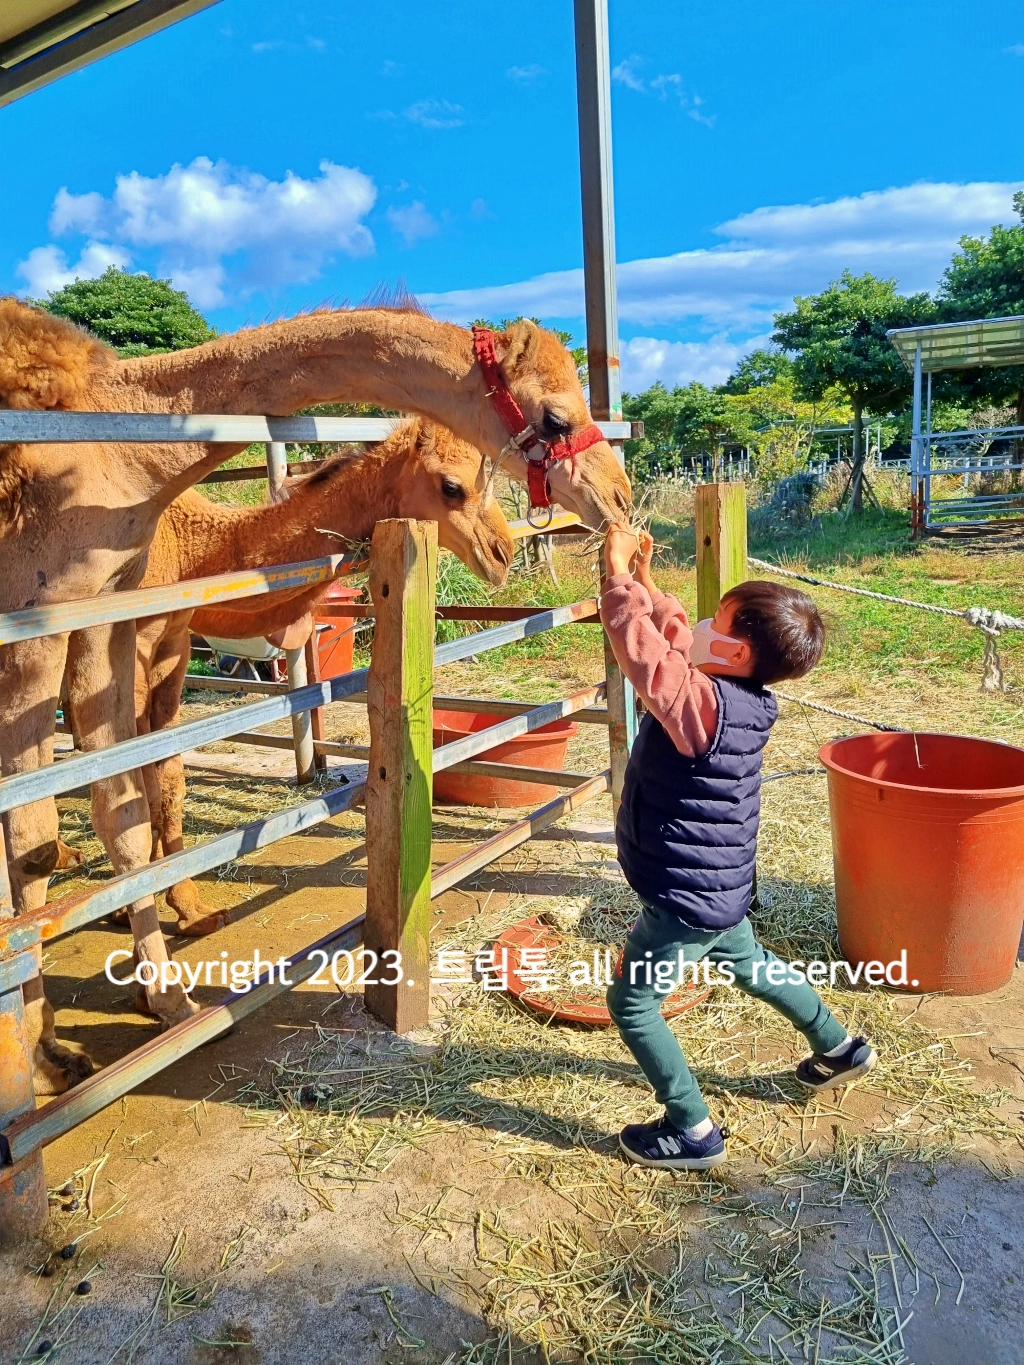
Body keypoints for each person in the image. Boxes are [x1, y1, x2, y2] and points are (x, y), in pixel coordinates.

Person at [599, 523, 876, 1171]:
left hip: (686, 894)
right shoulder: (741, 701)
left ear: (737, 653)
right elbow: (676, 643)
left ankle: (690, 1125)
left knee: (633, 1000)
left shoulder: (698, 702)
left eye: (714, 620)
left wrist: (617, 581)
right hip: (721, 888)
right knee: (753, 967)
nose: (695, 621)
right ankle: (837, 1046)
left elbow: (645, 654)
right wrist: (645, 583)